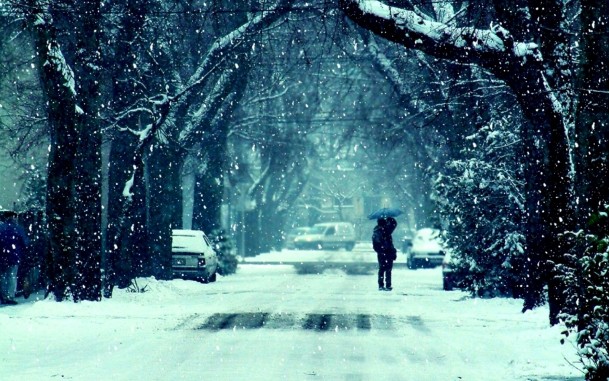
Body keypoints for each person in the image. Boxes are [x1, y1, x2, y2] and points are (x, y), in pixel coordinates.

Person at [0, 211, 28, 305]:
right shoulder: (17, 228)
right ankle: (9, 296)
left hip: (2, 256)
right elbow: (25, 243)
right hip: (14, 255)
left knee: (3, 276)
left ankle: (3, 295)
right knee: (12, 276)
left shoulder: (1, 228)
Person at [372, 217, 397, 291]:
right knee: (386, 269)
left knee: (384, 269)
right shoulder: (381, 231)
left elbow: (393, 225)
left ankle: (383, 285)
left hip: (385, 252)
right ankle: (385, 285)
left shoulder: (380, 231)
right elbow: (394, 224)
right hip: (386, 252)